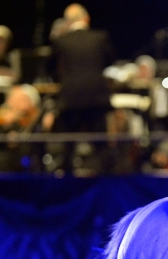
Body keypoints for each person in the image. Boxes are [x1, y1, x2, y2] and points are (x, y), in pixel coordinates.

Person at [49, 3, 115, 173]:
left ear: (68, 22)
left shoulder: (61, 40)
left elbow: (50, 67)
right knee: (101, 146)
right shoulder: (100, 37)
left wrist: (64, 80)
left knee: (68, 146)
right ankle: (106, 184)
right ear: (86, 18)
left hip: (70, 98)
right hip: (96, 97)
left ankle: (67, 185)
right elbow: (109, 62)